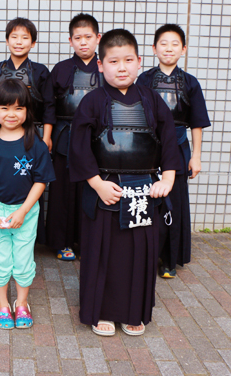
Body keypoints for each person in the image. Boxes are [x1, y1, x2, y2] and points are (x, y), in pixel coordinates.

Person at [68, 29, 181, 337]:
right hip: (106, 189)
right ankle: (101, 312)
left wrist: (167, 177)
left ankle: (135, 312)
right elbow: (79, 148)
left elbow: (169, 141)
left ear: (139, 61)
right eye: (114, 61)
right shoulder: (92, 102)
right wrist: (96, 183)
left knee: (140, 253)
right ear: (101, 65)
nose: (122, 67)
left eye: (128, 60)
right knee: (102, 251)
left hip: (144, 188)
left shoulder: (153, 100)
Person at [0, 79, 55, 329]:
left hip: (27, 212)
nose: (11, 114)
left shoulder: (35, 143)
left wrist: (23, 211)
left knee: (22, 260)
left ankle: (21, 304)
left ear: (28, 111)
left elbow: (41, 181)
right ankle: (2, 305)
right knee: (0, 261)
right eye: (4, 108)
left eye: (19, 108)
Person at [137, 24, 210, 278]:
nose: (169, 48)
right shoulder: (144, 79)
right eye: (163, 43)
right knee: (145, 202)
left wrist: (196, 156)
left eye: (175, 43)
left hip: (178, 147)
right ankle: (145, 256)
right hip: (148, 147)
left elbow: (197, 123)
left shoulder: (190, 83)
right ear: (154, 48)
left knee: (174, 204)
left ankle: (169, 260)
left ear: (184, 49)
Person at [46, 14, 103, 261]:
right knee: (62, 192)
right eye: (77, 38)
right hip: (64, 136)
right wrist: (47, 136)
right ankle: (62, 242)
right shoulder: (61, 69)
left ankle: (89, 240)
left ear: (98, 38)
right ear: (70, 41)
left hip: (98, 139)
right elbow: (48, 105)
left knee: (90, 189)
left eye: (88, 37)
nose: (83, 43)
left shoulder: (106, 67)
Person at [0, 17, 54, 145]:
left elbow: (49, 106)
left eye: (25, 38)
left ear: (33, 43)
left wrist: (47, 137)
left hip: (33, 134)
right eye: (14, 37)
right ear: (7, 41)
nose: (19, 42)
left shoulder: (41, 71)